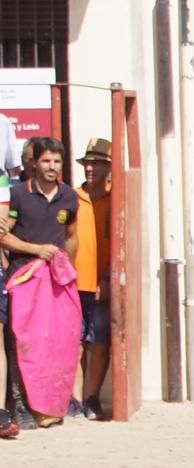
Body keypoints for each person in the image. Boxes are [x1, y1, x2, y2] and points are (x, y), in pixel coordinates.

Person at [1, 136, 79, 432]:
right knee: (22, 343)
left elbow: (71, 236)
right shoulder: (18, 195)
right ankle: (20, 406)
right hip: (23, 277)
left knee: (56, 342)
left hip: (55, 281)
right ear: (34, 163)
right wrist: (37, 250)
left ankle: (50, 406)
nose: (52, 167)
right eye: (46, 161)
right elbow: (3, 235)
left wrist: (66, 267)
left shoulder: (69, 197)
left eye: (57, 162)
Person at [71, 137, 113, 421]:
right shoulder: (72, 197)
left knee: (99, 342)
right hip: (73, 282)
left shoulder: (116, 197)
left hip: (103, 283)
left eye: (96, 163)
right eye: (88, 163)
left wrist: (109, 277)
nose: (90, 168)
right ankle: (73, 399)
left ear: (108, 167)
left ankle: (92, 397)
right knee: (74, 343)